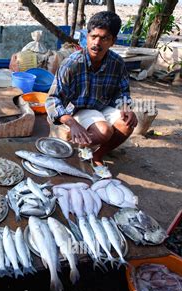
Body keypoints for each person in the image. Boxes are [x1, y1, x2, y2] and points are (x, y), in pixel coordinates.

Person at [46, 11, 138, 174]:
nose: (97, 43)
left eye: (104, 38)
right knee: (104, 132)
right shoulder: (71, 64)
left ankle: (97, 155)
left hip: (102, 107)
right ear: (86, 36)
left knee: (128, 123)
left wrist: (126, 106)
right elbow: (53, 100)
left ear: (113, 41)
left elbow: (123, 91)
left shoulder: (117, 63)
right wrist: (71, 123)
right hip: (78, 110)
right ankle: (75, 141)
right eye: (93, 36)